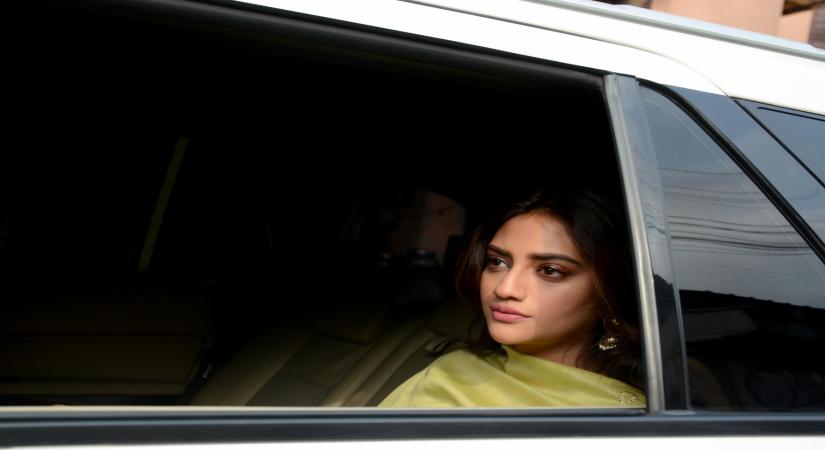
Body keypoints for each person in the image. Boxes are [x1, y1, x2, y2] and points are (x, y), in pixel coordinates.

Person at [379, 189, 645, 407]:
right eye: (497, 262)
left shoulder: (633, 418)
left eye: (550, 271)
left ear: (608, 290)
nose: (506, 288)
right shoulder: (451, 371)